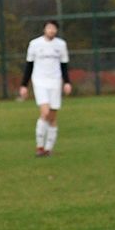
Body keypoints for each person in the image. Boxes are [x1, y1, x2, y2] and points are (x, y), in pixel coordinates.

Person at [19, 20, 71, 157]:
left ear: (56, 30)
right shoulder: (34, 44)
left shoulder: (61, 45)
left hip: (55, 82)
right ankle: (39, 146)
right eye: (49, 28)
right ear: (44, 29)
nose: (51, 30)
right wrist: (24, 85)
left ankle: (48, 148)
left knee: (52, 116)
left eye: (54, 28)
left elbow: (64, 66)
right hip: (39, 81)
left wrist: (67, 82)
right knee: (45, 112)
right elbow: (29, 66)